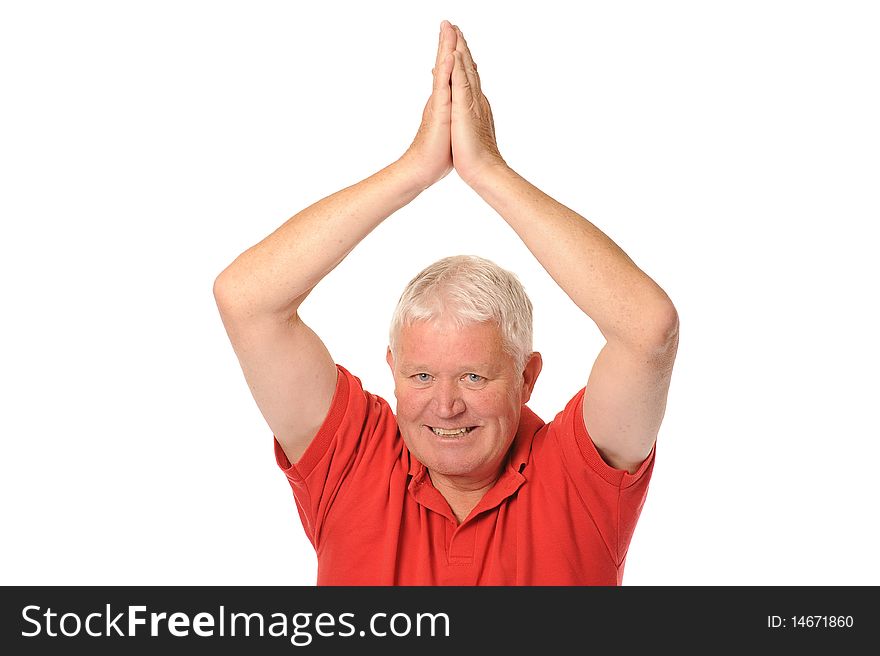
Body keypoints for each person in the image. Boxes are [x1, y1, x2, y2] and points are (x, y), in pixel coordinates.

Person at [213, 20, 679, 585]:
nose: (445, 405)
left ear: (527, 376)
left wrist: (486, 171)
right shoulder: (354, 458)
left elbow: (647, 328)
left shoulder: (579, 476)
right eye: (422, 375)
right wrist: (414, 170)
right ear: (392, 370)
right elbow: (246, 299)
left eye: (476, 377)